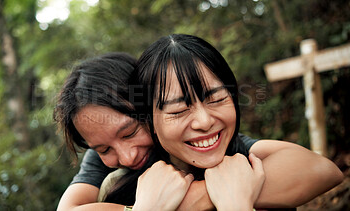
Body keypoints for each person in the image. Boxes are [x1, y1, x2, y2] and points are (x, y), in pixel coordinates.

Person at [55, 49, 343, 210]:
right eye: (103, 149)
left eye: (130, 132)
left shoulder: (204, 146)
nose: (127, 156)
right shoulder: (108, 167)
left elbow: (320, 170)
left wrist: (198, 196)